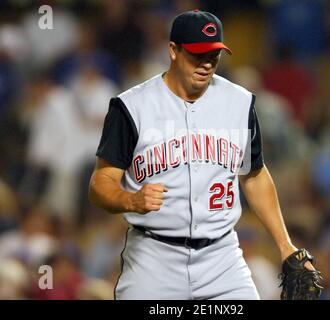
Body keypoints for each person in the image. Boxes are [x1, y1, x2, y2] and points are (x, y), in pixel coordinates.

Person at [89, 10, 317, 300]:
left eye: (213, 55)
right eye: (197, 54)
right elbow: (101, 183)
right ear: (173, 50)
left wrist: (286, 245)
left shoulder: (239, 102)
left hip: (221, 258)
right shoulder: (132, 107)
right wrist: (129, 199)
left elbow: (255, 174)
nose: (206, 63)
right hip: (153, 258)